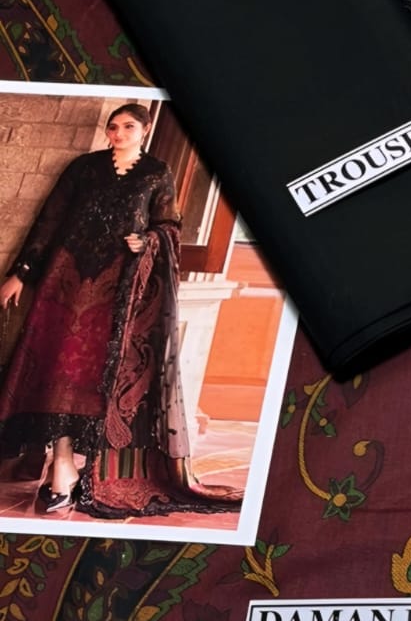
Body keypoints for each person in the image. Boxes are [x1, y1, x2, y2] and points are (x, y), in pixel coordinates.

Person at [0, 103, 242, 518]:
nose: (118, 133)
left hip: (120, 288)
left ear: (145, 130)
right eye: (113, 127)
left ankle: (69, 470)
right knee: (56, 367)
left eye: (128, 126)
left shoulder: (156, 174)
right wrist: (20, 274)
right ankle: (60, 463)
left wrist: (147, 241)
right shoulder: (84, 168)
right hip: (64, 279)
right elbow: (49, 221)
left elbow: (169, 227)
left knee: (95, 376)